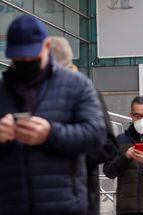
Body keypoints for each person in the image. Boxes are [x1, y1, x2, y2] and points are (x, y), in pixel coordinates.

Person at [0, 15, 107, 215]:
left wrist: (50, 133)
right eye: (18, 57)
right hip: (13, 206)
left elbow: (97, 135)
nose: (25, 61)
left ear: (47, 46)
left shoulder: (77, 85)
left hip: (66, 207)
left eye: (31, 56)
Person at [49, 36, 120, 215]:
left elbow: (108, 147)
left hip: (80, 193)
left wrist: (63, 149)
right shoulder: (37, 96)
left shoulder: (87, 93)